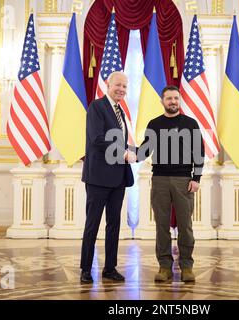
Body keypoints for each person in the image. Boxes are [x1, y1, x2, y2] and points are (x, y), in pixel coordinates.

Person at [131, 85, 205, 282]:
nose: (173, 101)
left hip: (184, 180)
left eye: (176, 98)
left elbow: (199, 152)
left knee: (185, 225)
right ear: (162, 101)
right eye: (169, 98)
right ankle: (164, 267)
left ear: (179, 100)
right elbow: (145, 151)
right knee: (161, 225)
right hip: (160, 180)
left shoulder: (190, 124)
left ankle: (187, 266)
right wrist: (127, 153)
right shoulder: (154, 124)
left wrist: (196, 178)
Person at [80, 71, 134, 284]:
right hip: (98, 177)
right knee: (92, 225)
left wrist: (137, 151)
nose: (121, 89)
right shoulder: (97, 107)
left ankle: (110, 268)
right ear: (107, 85)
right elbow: (97, 139)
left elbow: (118, 142)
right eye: (118, 85)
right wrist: (123, 153)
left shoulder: (120, 110)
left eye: (125, 86)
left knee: (114, 225)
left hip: (118, 177)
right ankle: (85, 269)